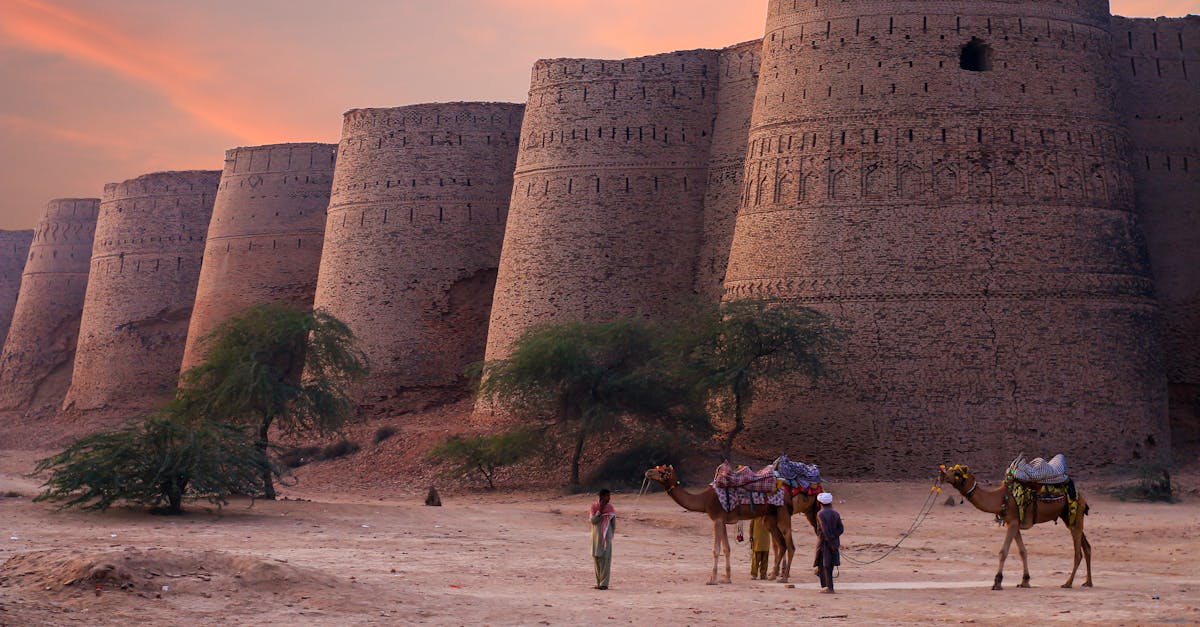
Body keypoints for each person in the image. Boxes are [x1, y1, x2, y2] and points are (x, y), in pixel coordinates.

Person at [814, 492, 843, 593]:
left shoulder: (820, 513)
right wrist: (834, 538)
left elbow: (824, 530)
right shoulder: (835, 513)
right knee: (828, 564)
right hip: (834, 542)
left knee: (824, 564)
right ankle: (827, 586)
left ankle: (829, 587)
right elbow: (841, 529)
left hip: (824, 543)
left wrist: (829, 540)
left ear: (820, 503)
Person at [589, 488, 616, 590]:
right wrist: (600, 510)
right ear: (602, 496)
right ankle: (599, 583)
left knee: (605, 560)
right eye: (608, 496)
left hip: (606, 538)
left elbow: (613, 524)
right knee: (596, 559)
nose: (609, 498)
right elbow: (593, 521)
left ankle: (604, 584)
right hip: (596, 537)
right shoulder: (594, 507)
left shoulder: (610, 508)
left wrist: (609, 534)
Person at [749, 515, 771, 580]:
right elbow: (751, 527)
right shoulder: (755, 516)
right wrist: (751, 536)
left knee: (764, 559)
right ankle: (754, 574)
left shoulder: (768, 517)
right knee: (756, 558)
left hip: (765, 540)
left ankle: (763, 574)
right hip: (757, 540)